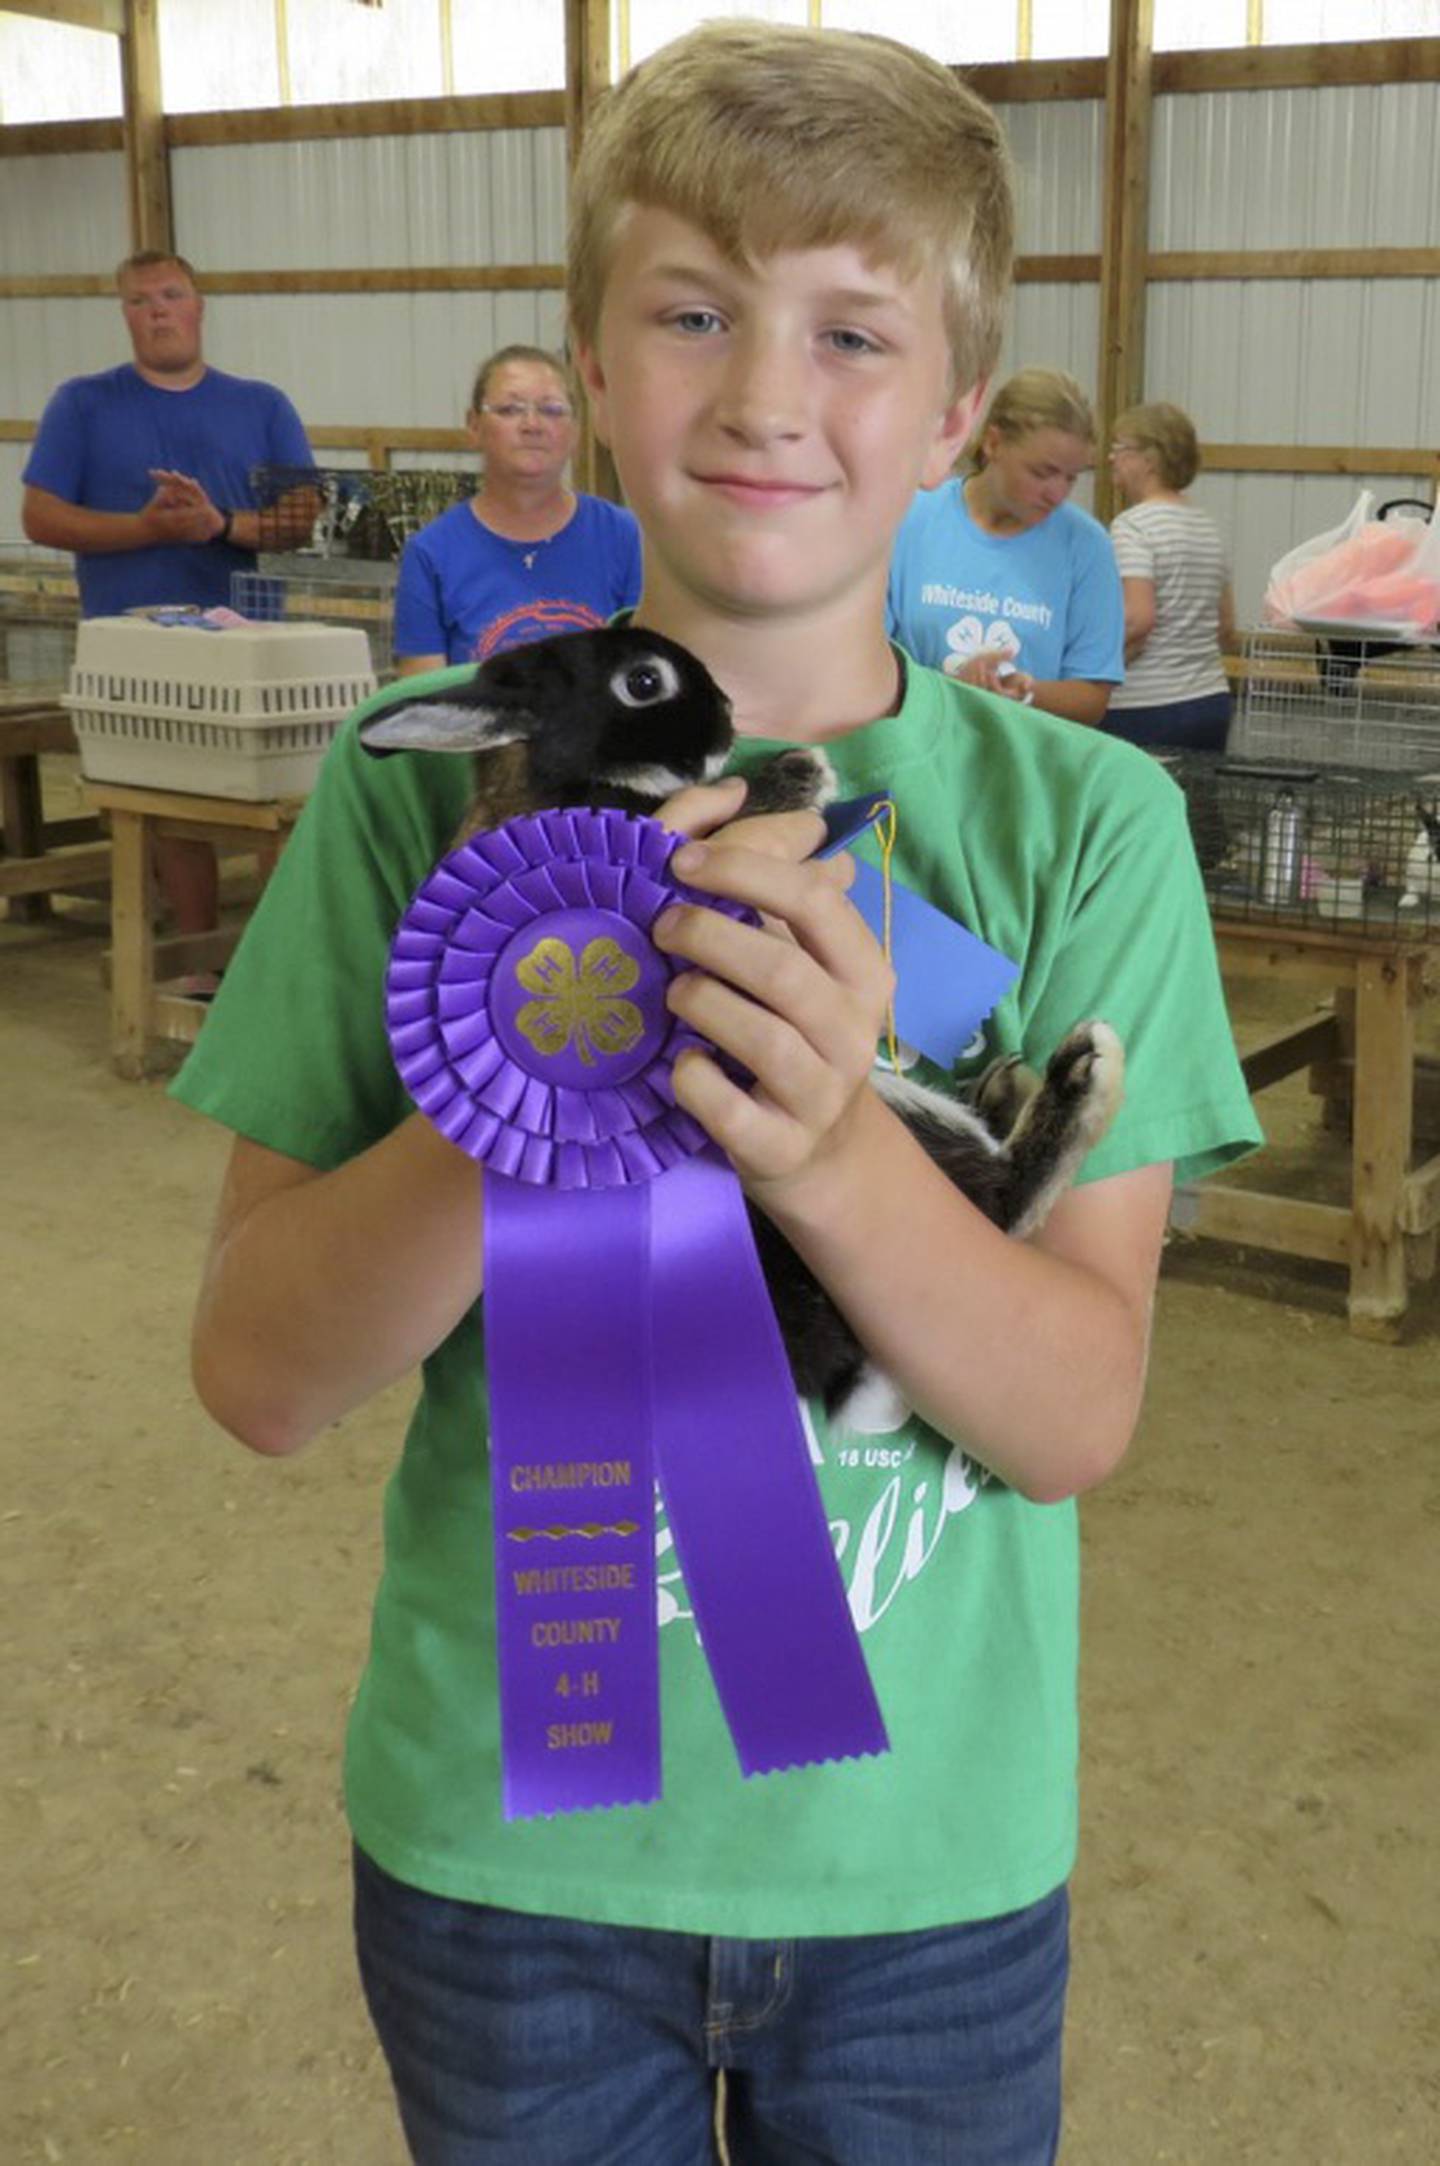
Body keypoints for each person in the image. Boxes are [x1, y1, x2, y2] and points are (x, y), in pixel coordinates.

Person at [173, 23, 1259, 2163]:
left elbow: (1075, 1417)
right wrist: (539, 1087)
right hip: (515, 1882)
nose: (767, 395)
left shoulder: (1087, 829)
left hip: (923, 1890)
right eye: (690, 314)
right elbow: (257, 1373)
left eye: (853, 334)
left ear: (954, 410)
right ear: (583, 364)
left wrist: (837, 1149)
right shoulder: (428, 778)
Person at [21, 250, 315, 939]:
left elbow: (303, 516)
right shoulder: (82, 404)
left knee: (274, 804)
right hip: (133, 646)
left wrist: (220, 525)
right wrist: (144, 528)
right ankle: (197, 959)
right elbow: (40, 516)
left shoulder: (262, 404)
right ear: (123, 314)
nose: (158, 310)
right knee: (166, 802)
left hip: (249, 646)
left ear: (199, 306)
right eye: (140, 300)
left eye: (171, 295)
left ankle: (273, 957)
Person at [887, 366, 1124, 725]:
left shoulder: (1088, 548)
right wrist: (948, 690)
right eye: (1042, 473)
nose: (1057, 493)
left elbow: (1091, 696)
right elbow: (863, 659)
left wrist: (1024, 690)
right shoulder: (908, 519)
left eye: (1071, 478)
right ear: (994, 443)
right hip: (918, 746)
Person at [391, 344, 641, 673]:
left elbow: (648, 674)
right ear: (473, 425)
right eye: (510, 409)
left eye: (552, 410)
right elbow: (423, 705)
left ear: (576, 431)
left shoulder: (626, 538)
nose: (532, 424)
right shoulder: (430, 555)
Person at [1105, 401, 1238, 751]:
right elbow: (1226, 627)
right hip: (1210, 700)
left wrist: (1091, 672)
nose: (1110, 458)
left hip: (1144, 706)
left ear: (1149, 460)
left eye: (1119, 449)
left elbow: (1137, 620)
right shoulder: (1207, 527)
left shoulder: (1132, 527)